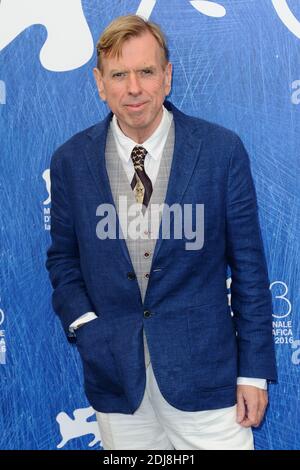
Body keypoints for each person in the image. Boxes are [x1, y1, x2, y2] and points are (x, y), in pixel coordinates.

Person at [46, 14, 277, 450]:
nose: (133, 88)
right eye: (119, 74)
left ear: (166, 77)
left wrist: (252, 371)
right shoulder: (70, 162)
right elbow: (63, 257)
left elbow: (249, 268)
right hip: (118, 383)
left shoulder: (220, 151)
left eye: (146, 71)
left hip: (209, 385)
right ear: (100, 83)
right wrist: (86, 326)